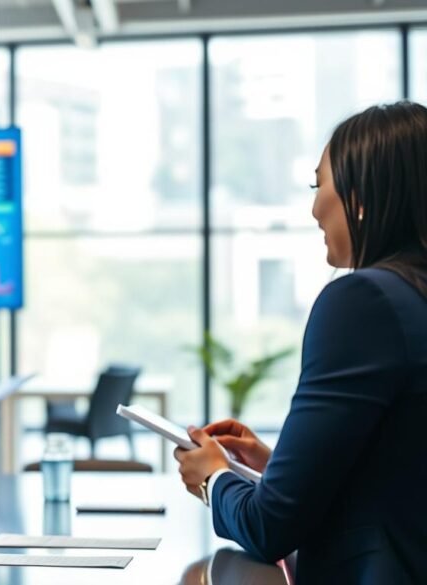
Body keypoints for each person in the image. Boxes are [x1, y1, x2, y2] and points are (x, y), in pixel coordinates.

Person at [175, 102, 427, 585]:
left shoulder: (362, 301)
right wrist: (280, 471)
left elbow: (270, 528)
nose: (313, 209)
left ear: (359, 197)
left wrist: (213, 479)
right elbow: (402, 478)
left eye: (319, 186)